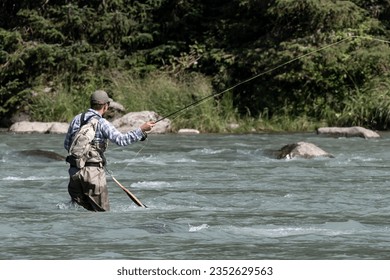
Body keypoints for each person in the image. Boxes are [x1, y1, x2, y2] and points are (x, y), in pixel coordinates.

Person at [64, 90, 155, 211]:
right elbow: (121, 140)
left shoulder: (77, 119)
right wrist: (141, 129)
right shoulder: (102, 123)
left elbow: (67, 145)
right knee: (102, 216)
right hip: (93, 174)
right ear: (105, 106)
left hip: (74, 172)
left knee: (81, 214)